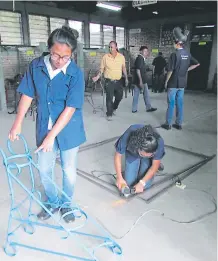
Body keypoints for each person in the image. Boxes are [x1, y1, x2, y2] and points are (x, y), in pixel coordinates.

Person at [8, 26, 86, 223]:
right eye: (55, 55)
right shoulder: (36, 66)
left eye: (65, 57)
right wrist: (17, 123)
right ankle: (52, 201)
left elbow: (70, 108)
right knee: (44, 169)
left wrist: (52, 137)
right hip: (45, 126)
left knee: (68, 170)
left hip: (69, 129)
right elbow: (27, 94)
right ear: (49, 49)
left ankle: (66, 204)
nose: (59, 61)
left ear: (72, 55)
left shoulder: (76, 74)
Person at [161, 39, 200, 130]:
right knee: (180, 103)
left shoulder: (174, 54)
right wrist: (186, 69)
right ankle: (178, 124)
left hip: (173, 83)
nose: (173, 45)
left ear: (178, 44)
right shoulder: (187, 54)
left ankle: (168, 124)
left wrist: (166, 81)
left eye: (174, 43)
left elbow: (170, 70)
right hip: (182, 83)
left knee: (171, 103)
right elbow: (197, 63)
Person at [114, 124, 165, 194]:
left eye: (150, 155)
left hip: (150, 158)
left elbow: (154, 166)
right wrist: (119, 177)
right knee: (129, 183)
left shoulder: (159, 142)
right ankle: (144, 157)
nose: (145, 156)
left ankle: (153, 160)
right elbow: (118, 155)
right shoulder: (129, 135)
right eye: (143, 154)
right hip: (133, 153)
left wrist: (142, 183)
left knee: (146, 185)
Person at [92, 41, 128, 121]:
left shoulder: (121, 57)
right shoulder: (105, 57)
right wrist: (97, 77)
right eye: (109, 47)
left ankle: (114, 108)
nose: (110, 48)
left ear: (116, 47)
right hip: (109, 81)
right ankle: (109, 114)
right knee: (109, 98)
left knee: (119, 97)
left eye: (112, 47)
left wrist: (126, 78)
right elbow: (101, 69)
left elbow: (124, 68)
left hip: (118, 81)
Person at [132, 46, 157, 113]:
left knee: (138, 94)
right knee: (145, 94)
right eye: (145, 51)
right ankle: (148, 108)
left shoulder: (141, 59)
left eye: (147, 51)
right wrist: (140, 81)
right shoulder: (140, 59)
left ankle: (134, 109)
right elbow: (137, 70)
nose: (146, 52)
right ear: (141, 51)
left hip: (140, 80)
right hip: (141, 81)